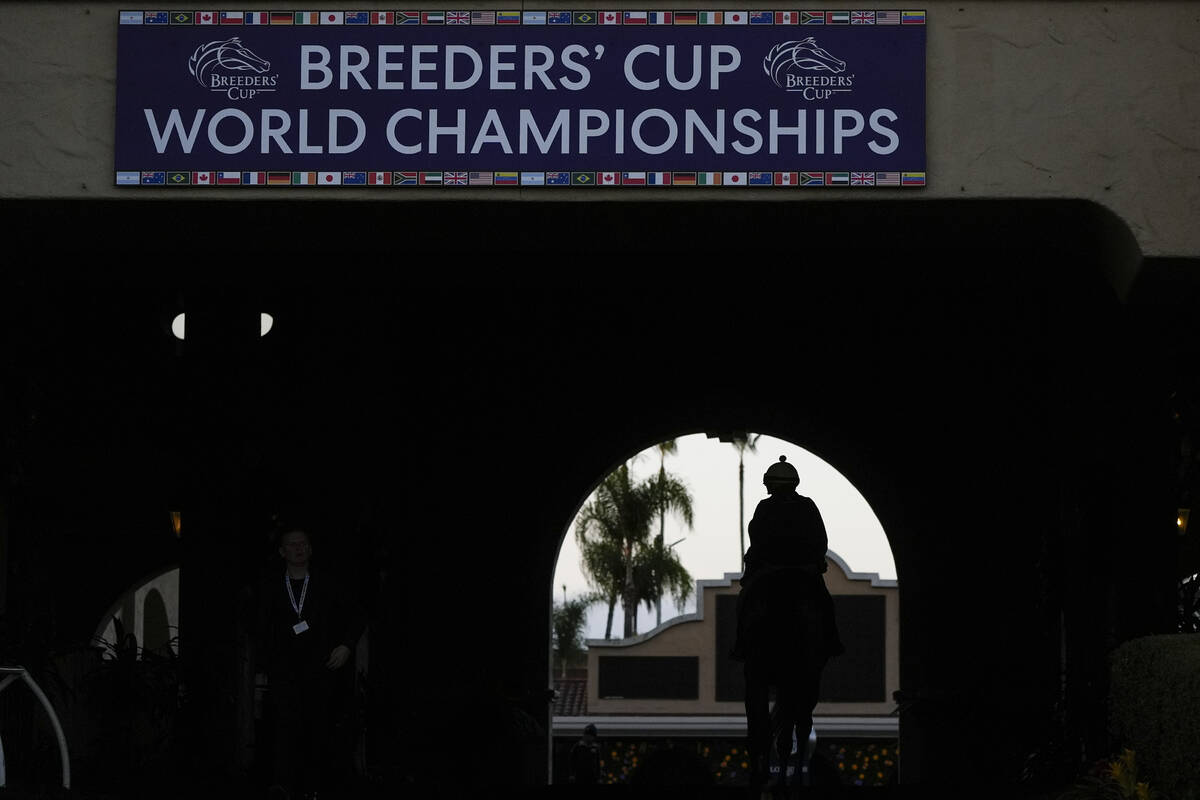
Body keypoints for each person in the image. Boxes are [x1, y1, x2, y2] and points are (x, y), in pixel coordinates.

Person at [732, 456, 844, 792]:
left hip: (769, 573)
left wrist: (764, 564)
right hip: (803, 574)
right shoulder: (808, 507)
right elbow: (820, 543)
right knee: (823, 603)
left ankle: (742, 644)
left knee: (746, 599)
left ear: (771, 484)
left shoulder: (764, 509)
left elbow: (756, 543)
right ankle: (830, 640)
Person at [257, 525, 366, 800]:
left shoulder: (327, 584)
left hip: (323, 670)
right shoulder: (270, 586)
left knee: (320, 729)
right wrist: (270, 660)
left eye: (303, 543)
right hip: (285, 673)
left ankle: (315, 787)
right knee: (285, 728)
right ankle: (283, 785)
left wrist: (346, 646)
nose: (298, 548)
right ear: (282, 551)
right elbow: (257, 625)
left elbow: (356, 614)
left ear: (311, 548)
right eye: (292, 544)